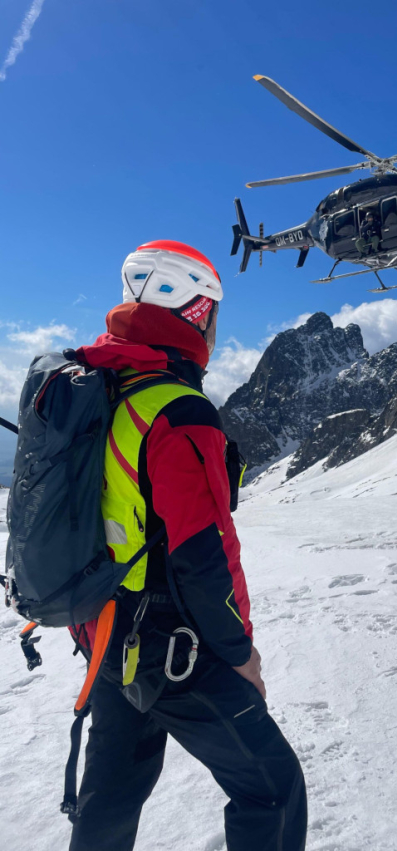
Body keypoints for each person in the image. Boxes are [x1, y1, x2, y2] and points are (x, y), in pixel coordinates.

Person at [68, 240, 307, 851]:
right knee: (272, 788)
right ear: (196, 311)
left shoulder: (102, 386)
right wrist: (239, 653)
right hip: (172, 645)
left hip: (105, 632)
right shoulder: (178, 410)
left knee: (112, 795)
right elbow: (204, 552)